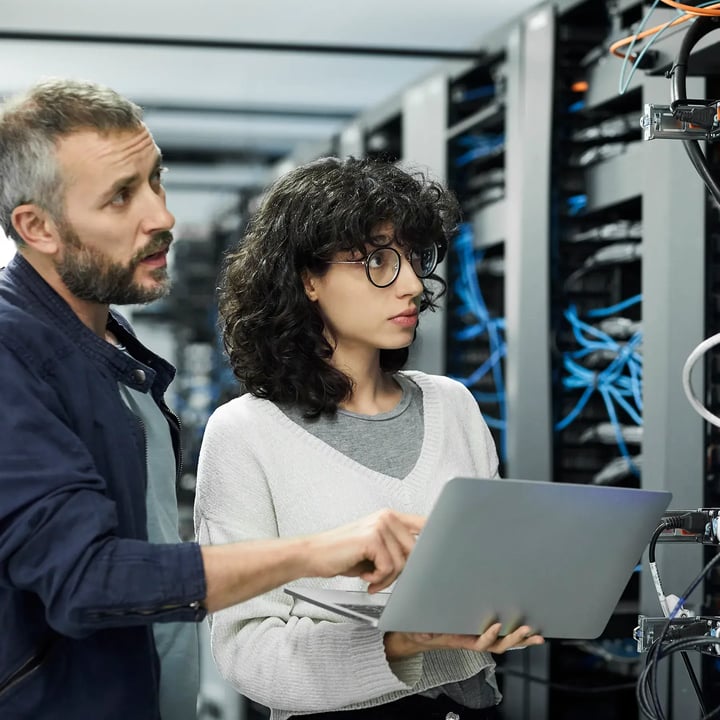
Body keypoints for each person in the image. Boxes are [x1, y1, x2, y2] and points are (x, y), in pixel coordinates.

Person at [0, 79, 424, 720]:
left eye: (155, 180)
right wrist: (313, 550)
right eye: (121, 197)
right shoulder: (12, 355)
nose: (161, 216)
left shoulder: (106, 345)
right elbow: (86, 581)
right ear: (38, 227)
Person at [193, 156, 545, 720]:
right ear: (307, 279)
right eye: (379, 260)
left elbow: (492, 573)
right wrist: (397, 644)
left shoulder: (452, 404)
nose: (410, 284)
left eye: (414, 258)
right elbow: (245, 650)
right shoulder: (245, 434)